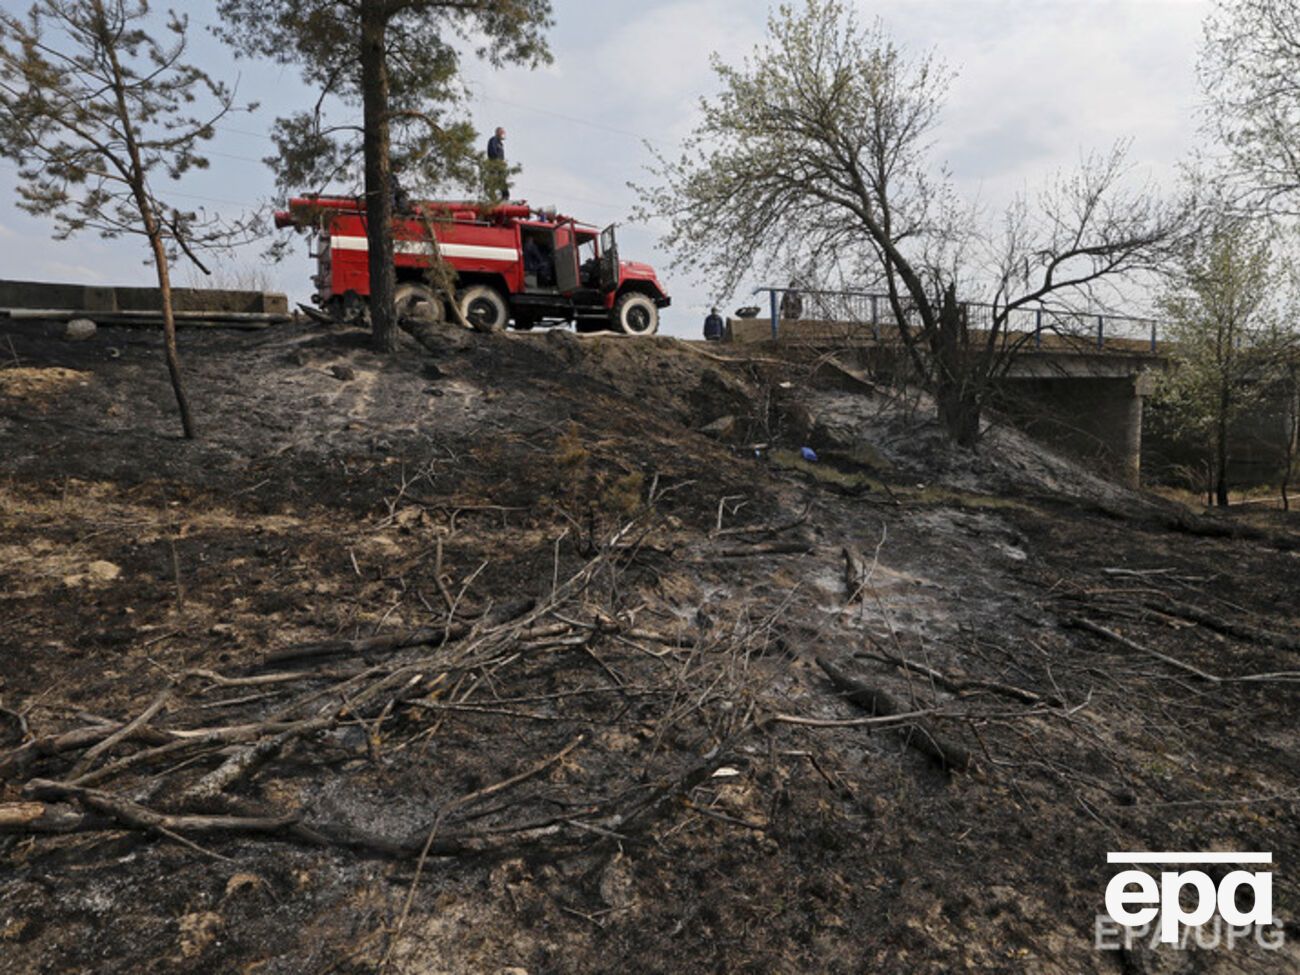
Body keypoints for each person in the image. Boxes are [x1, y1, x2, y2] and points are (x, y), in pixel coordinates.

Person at [486, 126, 509, 200]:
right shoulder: (493, 140)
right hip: (494, 164)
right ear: (498, 132)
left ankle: (505, 196)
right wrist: (497, 161)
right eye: (502, 132)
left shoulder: (500, 144)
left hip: (500, 165)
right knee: (493, 179)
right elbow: (492, 151)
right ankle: (492, 196)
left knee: (502, 180)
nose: (503, 134)